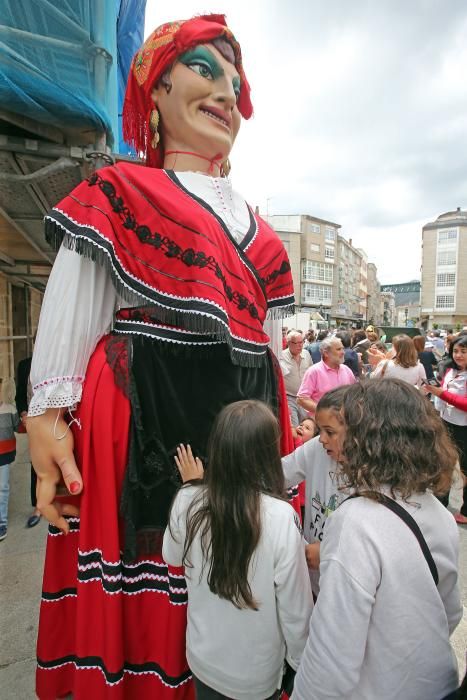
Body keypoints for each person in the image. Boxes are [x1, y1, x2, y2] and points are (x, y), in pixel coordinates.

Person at [27, 15, 295, 699]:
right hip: (142, 403)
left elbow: (265, 345)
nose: (227, 94)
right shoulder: (120, 191)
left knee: (245, 556)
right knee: (147, 554)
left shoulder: (261, 230)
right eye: (206, 70)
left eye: (236, 84)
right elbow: (77, 298)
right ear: (159, 85)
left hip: (243, 419)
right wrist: (48, 415)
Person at [292, 379, 462, 700]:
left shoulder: (356, 521)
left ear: (368, 438)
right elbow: (449, 612)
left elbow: (332, 659)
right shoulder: (438, 514)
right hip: (438, 684)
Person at [163, 400, 313, 700]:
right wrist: (301, 664)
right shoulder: (280, 517)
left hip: (203, 660)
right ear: (267, 454)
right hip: (255, 674)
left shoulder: (190, 500)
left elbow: (172, 557)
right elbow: (295, 609)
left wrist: (191, 489)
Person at [283, 386, 349, 598]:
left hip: (345, 589)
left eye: (330, 432)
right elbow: (279, 474)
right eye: (320, 430)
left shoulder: (373, 474)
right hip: (313, 583)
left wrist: (329, 552)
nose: (322, 439)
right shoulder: (316, 450)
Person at [428, 335, 467, 524]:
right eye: (456, 351)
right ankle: (440, 504)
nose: (458, 355)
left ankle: (465, 510)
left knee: (464, 469)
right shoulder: (451, 370)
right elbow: (443, 395)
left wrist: (442, 393)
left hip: (464, 428)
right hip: (446, 422)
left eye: (463, 351)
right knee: (444, 464)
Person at [297, 336, 356, 416]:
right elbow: (302, 399)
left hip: (343, 423)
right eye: (338, 349)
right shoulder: (314, 371)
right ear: (326, 353)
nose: (343, 352)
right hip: (320, 424)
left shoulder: (347, 370)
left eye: (342, 348)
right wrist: (325, 412)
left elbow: (355, 394)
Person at [15, 352, 41, 528]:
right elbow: (19, 395)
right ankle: (38, 505)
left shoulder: (53, 361)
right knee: (37, 463)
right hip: (32, 420)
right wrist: (23, 413)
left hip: (52, 419)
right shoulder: (24, 365)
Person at [0, 378, 20, 541]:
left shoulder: (9, 409)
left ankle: (2, 523)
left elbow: (18, 427)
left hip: (4, 454)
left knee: (2, 487)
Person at [280, 330, 312, 427]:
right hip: (289, 397)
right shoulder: (281, 356)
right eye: (296, 343)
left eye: (301, 342)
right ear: (289, 343)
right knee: (294, 426)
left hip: (304, 397)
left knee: (305, 424)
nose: (300, 345)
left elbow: (311, 372)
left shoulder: (306, 354)